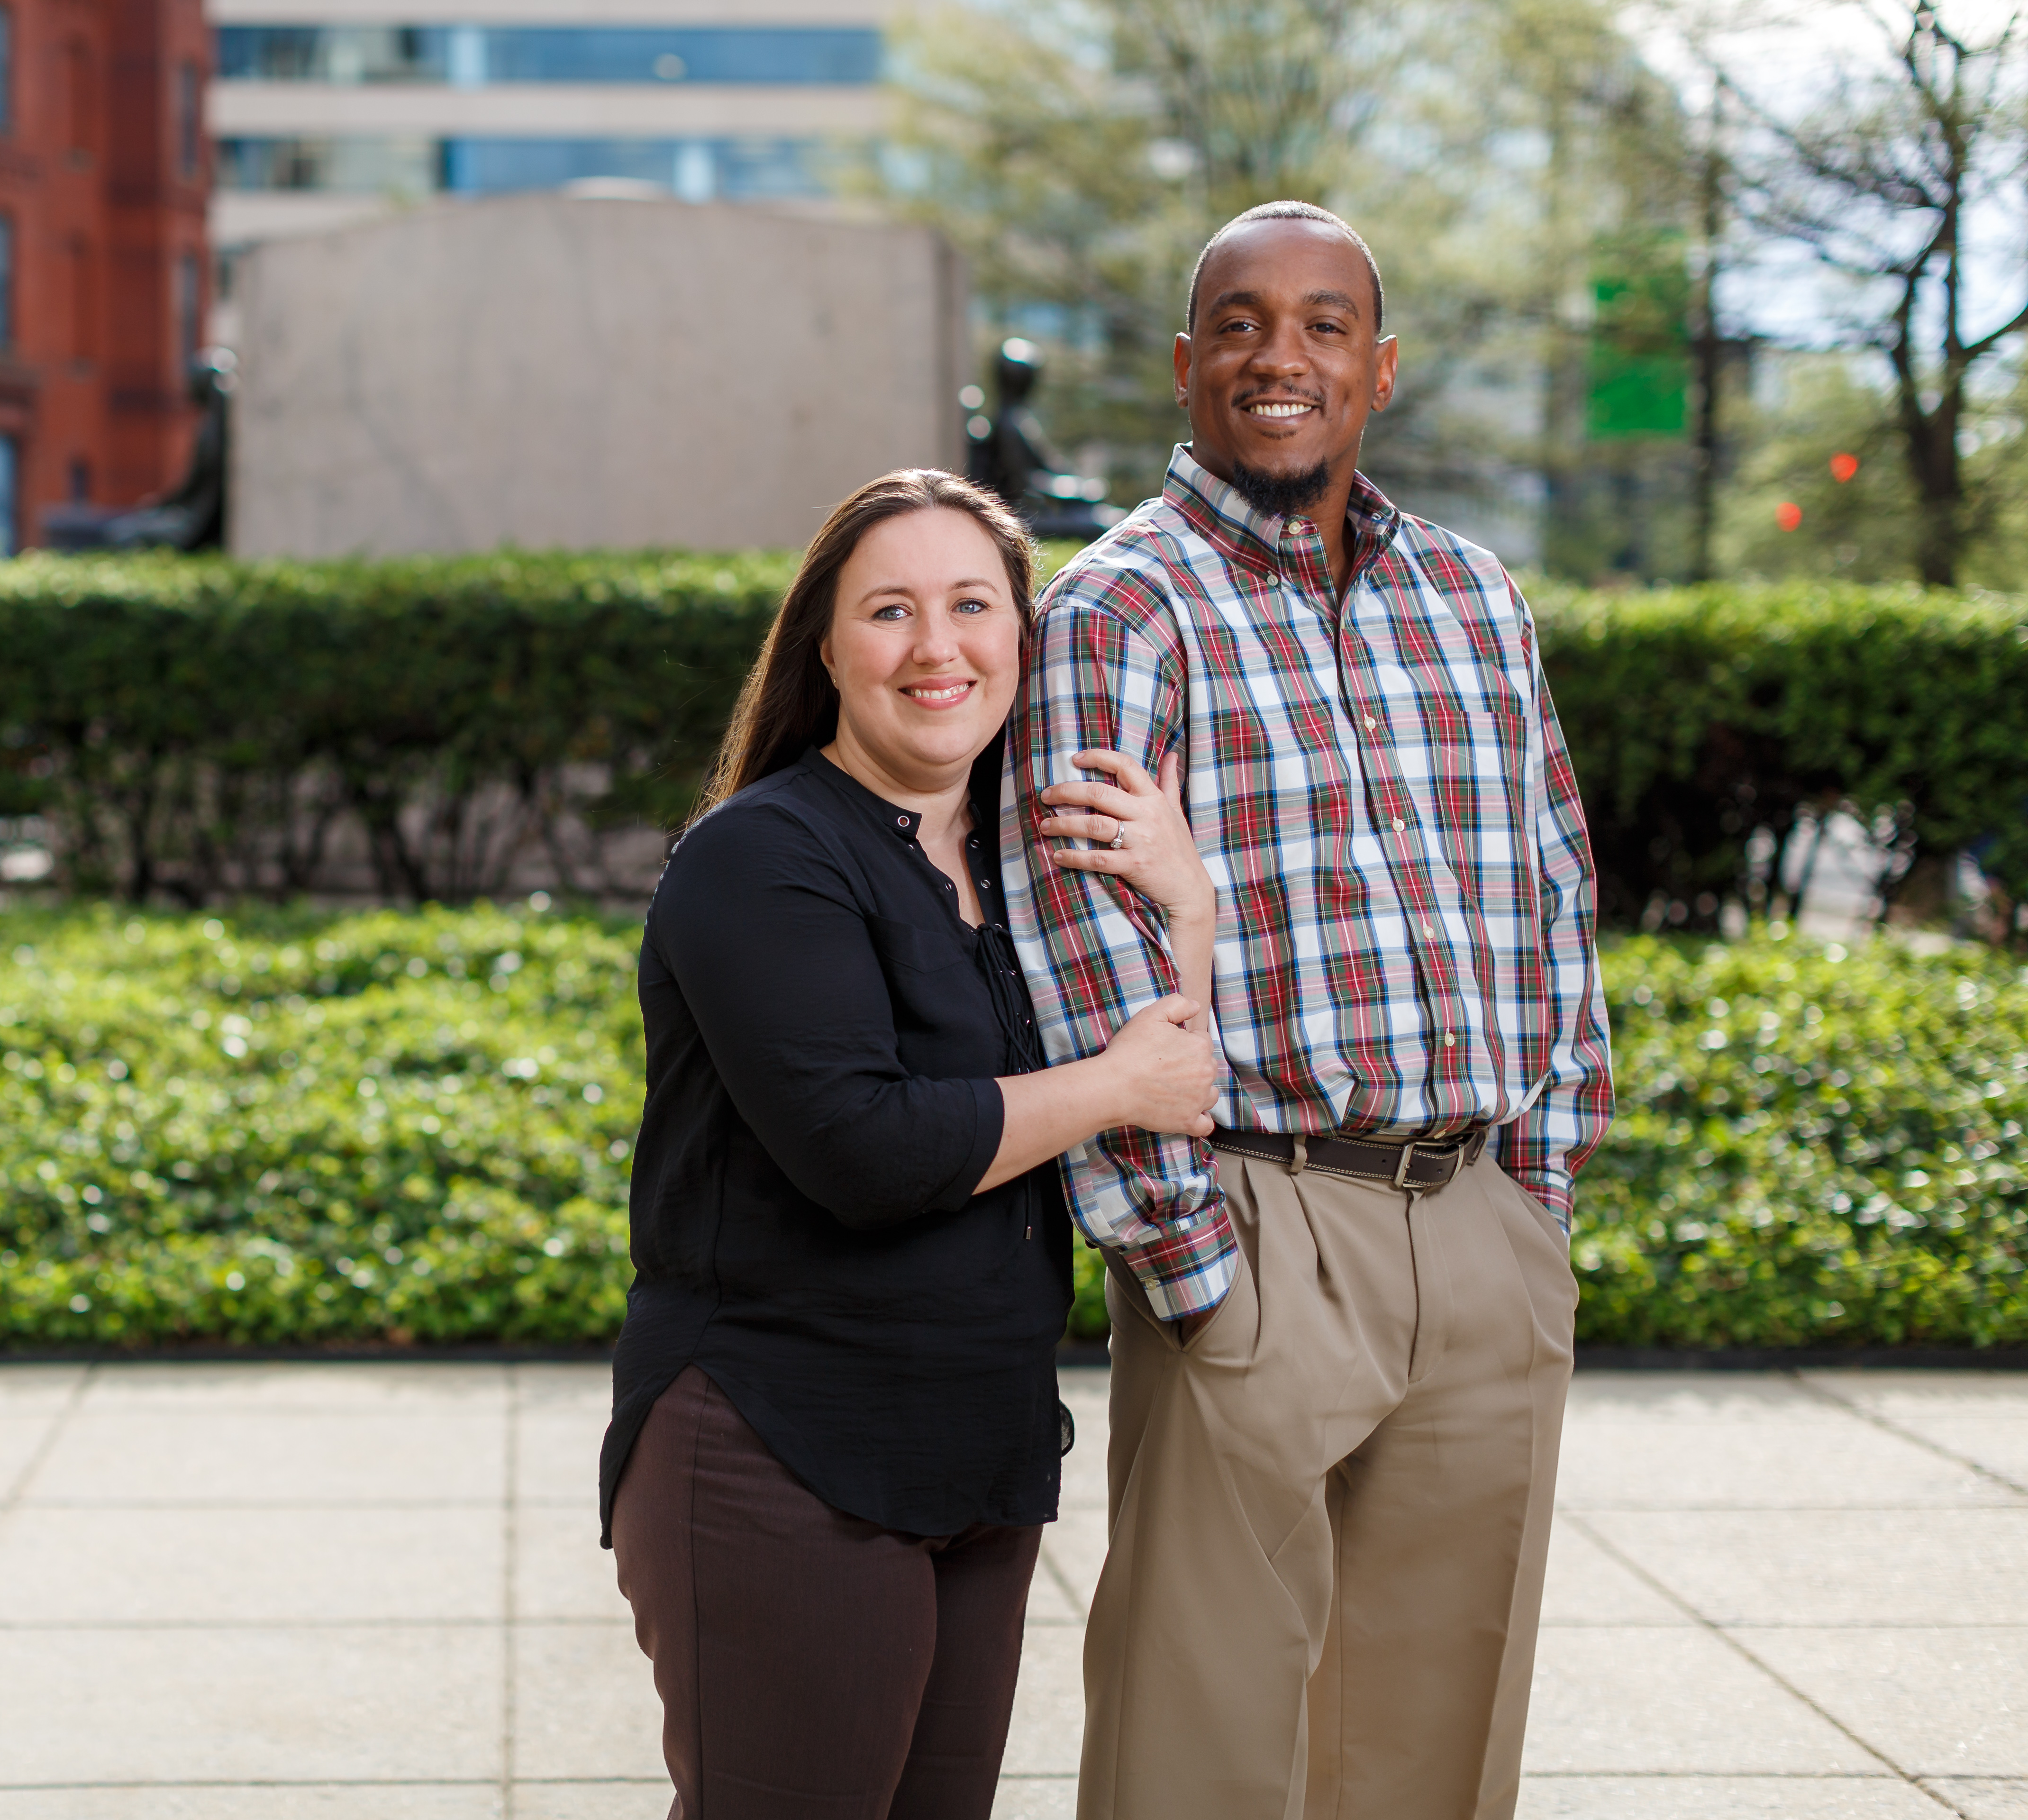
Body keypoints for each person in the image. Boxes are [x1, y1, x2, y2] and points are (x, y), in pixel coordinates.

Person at [999, 200, 1614, 1820]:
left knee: (1438, 1743)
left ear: (1382, 367)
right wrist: (1192, 1267)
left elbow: (1556, 894)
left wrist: (1535, 1201)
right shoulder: (1124, 609)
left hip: (1479, 1222)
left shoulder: (1475, 597)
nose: (1285, 356)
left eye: (1326, 325)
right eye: (1246, 323)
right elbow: (1085, 948)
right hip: (1258, 1228)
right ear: (1186, 364)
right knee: (1194, 1752)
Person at [601, 468, 1222, 1820]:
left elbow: (1175, 1076)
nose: (937, 649)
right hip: (778, 1445)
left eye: (972, 606)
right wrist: (1110, 1083)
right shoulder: (762, 859)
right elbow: (865, 1149)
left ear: (1023, 636)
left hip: (974, 1454)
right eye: (890, 611)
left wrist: (1186, 900)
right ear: (825, 647)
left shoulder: (1026, 867)